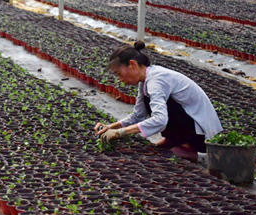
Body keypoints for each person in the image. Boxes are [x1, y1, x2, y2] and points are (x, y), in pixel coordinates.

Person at [94, 41, 222, 160]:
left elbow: (160, 120)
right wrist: (110, 127)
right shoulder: (145, 80)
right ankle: (173, 140)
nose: (120, 79)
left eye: (119, 74)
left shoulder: (156, 80)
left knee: (163, 106)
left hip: (201, 135)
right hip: (193, 127)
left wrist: (119, 133)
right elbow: (138, 115)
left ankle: (186, 146)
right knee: (152, 102)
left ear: (132, 65)